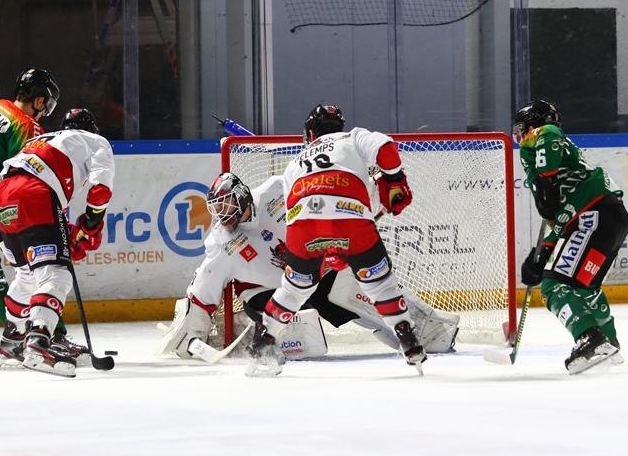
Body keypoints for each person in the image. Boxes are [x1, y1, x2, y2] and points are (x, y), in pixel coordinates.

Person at [158, 172, 459, 363]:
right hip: (265, 293)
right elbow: (203, 288)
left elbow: (317, 191)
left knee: (352, 290)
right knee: (302, 332)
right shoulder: (222, 243)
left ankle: (429, 329)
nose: (222, 214)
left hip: (311, 270)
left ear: (242, 196)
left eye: (225, 204)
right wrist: (190, 332)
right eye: (216, 208)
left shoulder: (276, 190)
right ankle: (251, 333)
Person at [245, 104, 424, 376]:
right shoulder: (353, 138)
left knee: (293, 290)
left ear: (310, 132)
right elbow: (387, 149)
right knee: (380, 286)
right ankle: (406, 335)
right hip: (352, 221)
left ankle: (265, 340)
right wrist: (395, 180)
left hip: (304, 229)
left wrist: (324, 251)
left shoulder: (294, 164)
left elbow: (296, 216)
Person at [0, 108, 114, 377]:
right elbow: (101, 191)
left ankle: (11, 341)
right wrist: (90, 225)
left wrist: (65, 229)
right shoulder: (96, 141)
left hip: (3, 197)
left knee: (27, 275)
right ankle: (39, 342)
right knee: (57, 274)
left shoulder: (41, 140)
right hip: (35, 193)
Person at [514, 99, 628, 374]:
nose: (518, 135)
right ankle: (608, 341)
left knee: (554, 286)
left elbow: (549, 133)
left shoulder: (546, 135)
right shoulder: (562, 167)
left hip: (594, 217)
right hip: (609, 217)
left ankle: (590, 339)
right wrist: (542, 252)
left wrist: (546, 178)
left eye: (522, 128)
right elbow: (560, 216)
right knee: (585, 288)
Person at [0, 70, 82, 354]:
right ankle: (50, 335)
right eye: (46, 103)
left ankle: (14, 341)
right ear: (39, 100)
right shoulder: (27, 127)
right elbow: (27, 174)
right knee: (38, 270)